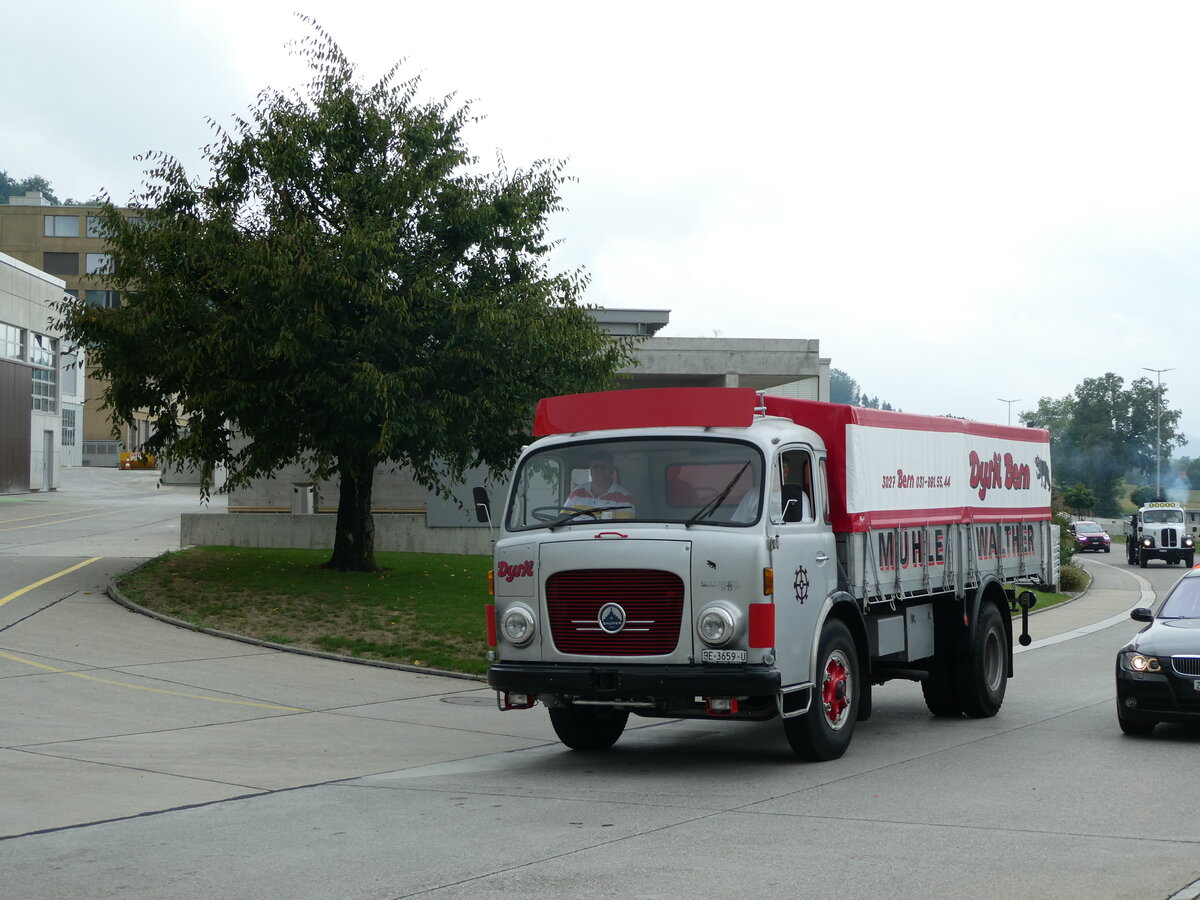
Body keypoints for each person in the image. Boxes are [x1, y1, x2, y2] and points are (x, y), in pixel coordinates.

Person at [734, 454, 811, 523]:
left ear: (785, 471)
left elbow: (804, 525)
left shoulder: (799, 496)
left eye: (773, 468)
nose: (769, 473)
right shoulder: (752, 494)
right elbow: (739, 522)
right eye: (766, 469)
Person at [565, 451, 636, 517]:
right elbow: (562, 518)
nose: (600, 470)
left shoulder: (623, 496)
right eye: (595, 467)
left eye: (604, 467)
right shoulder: (576, 493)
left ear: (611, 470)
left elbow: (624, 527)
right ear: (590, 470)